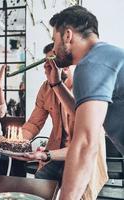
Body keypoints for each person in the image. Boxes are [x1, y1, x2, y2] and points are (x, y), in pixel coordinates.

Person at [13, 43, 108, 199]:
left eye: (51, 61)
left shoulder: (87, 89)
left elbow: (84, 143)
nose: (46, 66)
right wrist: (16, 143)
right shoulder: (46, 88)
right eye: (46, 62)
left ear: (65, 66)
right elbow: (34, 123)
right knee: (38, 191)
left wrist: (46, 155)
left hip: (81, 157)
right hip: (54, 154)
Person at [48, 5, 124, 199]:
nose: (54, 49)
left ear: (67, 35)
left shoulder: (90, 64)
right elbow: (83, 115)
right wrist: (56, 84)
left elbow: (84, 144)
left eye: (53, 40)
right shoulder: (105, 56)